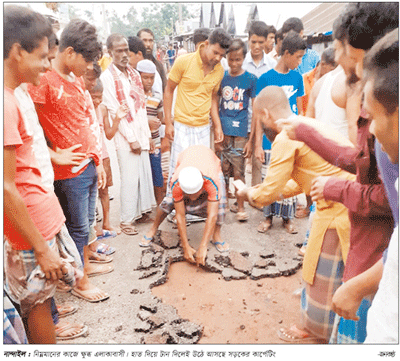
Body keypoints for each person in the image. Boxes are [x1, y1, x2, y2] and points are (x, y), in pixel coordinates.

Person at [278, 2, 397, 343]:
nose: (339, 58)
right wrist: (305, 131)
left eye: (343, 50)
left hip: (377, 265)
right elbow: (360, 160)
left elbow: (387, 199)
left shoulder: (388, 115)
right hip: (371, 258)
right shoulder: (379, 111)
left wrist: (336, 189)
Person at [236, 86, 355, 343]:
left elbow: (267, 193)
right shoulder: (305, 123)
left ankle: (316, 331)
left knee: (321, 272)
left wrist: (247, 192)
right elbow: (298, 182)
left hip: (337, 210)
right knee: (333, 270)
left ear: (265, 113)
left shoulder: (285, 137)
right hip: (346, 201)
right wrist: (270, 191)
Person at [4, 5, 78, 343]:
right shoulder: (5, 103)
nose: (49, 65)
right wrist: (43, 248)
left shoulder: (13, 98)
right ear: (18, 52)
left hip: (35, 221)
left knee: (41, 300)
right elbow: (6, 188)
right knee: (37, 306)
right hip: (28, 231)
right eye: (43, 57)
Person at [28, 18, 111, 303]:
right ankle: (80, 281)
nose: (89, 68)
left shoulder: (74, 81)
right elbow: (31, 126)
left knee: (86, 224)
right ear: (70, 52)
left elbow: (87, 122)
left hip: (86, 164)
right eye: (86, 61)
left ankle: (84, 267)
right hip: (67, 170)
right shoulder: (44, 81)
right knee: (76, 227)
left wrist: (97, 161)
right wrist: (53, 154)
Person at [141, 28, 232, 247]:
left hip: (203, 128)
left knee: (205, 176)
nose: (218, 58)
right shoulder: (184, 62)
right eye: (216, 52)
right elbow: (169, 90)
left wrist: (217, 126)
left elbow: (212, 99)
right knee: (178, 177)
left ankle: (210, 228)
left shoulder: (219, 70)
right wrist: (169, 123)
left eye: (222, 55)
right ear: (207, 44)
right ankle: (167, 218)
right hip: (181, 126)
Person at [100, 33, 156, 236]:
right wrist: (131, 139)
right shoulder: (106, 78)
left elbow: (141, 109)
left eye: (126, 50)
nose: (124, 55)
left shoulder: (133, 73)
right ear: (110, 52)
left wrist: (147, 136)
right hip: (125, 139)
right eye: (119, 51)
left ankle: (140, 214)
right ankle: (126, 221)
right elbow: (116, 111)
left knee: (142, 176)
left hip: (140, 133)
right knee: (130, 179)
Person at [255, 31, 306, 235]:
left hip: (291, 137)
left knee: (290, 177)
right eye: (298, 57)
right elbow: (260, 114)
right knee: (271, 177)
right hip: (270, 139)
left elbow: (300, 110)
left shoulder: (297, 78)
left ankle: (287, 218)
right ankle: (267, 216)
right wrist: (258, 143)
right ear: (286, 53)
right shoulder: (266, 78)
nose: (300, 62)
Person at [145, 145, 229, 264]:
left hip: (209, 162)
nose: (193, 198)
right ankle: (153, 229)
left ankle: (216, 235)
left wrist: (203, 246)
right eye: (188, 194)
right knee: (168, 202)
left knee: (221, 204)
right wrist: (186, 247)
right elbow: (180, 215)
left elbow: (212, 215)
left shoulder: (211, 180)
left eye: (196, 193)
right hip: (186, 160)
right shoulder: (176, 183)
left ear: (202, 187)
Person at [216, 38, 257, 221]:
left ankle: (240, 206)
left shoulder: (250, 79)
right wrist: (215, 128)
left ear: (244, 58)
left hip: (241, 133)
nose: (234, 64)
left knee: (239, 171)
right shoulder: (221, 77)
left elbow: (255, 111)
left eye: (238, 60)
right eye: (231, 59)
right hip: (222, 132)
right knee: (222, 169)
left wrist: (251, 139)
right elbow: (214, 102)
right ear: (226, 58)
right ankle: (223, 204)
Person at [84, 64, 121, 247]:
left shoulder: (103, 109)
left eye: (99, 97)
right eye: (93, 97)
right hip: (90, 156)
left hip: (103, 155)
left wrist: (118, 118)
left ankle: (106, 222)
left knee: (104, 191)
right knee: (91, 194)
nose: (97, 101)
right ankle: (94, 228)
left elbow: (109, 134)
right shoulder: (84, 108)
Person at [242, 21, 277, 187]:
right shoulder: (238, 62)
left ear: (266, 43)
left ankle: (256, 196)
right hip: (242, 119)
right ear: (248, 40)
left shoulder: (272, 66)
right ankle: (238, 199)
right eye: (253, 42)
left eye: (260, 43)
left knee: (258, 160)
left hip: (262, 121)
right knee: (238, 161)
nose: (257, 46)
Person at [137, 59, 165, 205]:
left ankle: (160, 205)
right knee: (142, 176)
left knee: (157, 174)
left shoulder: (157, 97)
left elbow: (160, 118)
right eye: (145, 77)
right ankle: (145, 208)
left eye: (152, 77)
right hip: (141, 143)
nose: (149, 81)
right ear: (138, 76)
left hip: (155, 143)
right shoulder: (135, 97)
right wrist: (147, 122)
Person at [137, 28, 167, 93]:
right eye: (144, 40)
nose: (148, 44)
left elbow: (165, 89)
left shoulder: (158, 66)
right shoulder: (134, 67)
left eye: (150, 41)